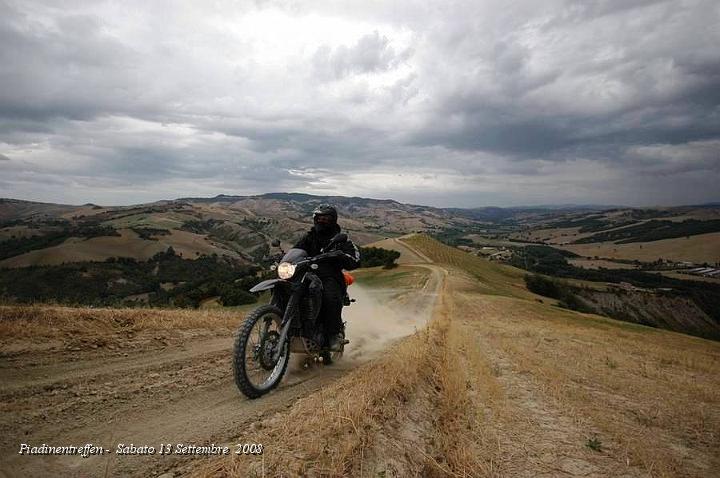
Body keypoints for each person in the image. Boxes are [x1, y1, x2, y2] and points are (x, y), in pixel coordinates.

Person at [293, 204, 360, 351]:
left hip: (330, 275)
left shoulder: (342, 240)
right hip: (307, 274)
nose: (321, 221)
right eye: (318, 218)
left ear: (333, 220)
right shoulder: (309, 237)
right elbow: (296, 251)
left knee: (330, 297)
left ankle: (333, 335)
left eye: (325, 218)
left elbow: (355, 260)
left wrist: (341, 254)